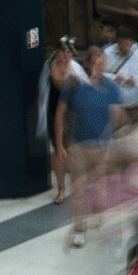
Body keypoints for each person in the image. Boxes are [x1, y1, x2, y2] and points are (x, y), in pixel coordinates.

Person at [57, 47, 126, 248]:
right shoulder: (74, 85)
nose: (101, 67)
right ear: (87, 64)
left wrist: (120, 137)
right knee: (78, 188)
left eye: (103, 63)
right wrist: (61, 143)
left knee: (101, 189)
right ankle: (79, 230)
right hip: (79, 146)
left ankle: (100, 218)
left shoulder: (111, 87)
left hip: (104, 147)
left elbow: (118, 116)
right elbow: (60, 114)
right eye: (97, 63)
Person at [39, 41, 89, 205]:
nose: (65, 55)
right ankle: (61, 188)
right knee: (58, 148)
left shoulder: (76, 69)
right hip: (54, 111)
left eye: (69, 52)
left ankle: (79, 186)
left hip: (73, 112)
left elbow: (86, 90)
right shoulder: (49, 66)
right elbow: (43, 91)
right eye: (62, 51)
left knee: (76, 149)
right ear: (57, 52)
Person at [102, 25, 138, 109]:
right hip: (113, 105)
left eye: (127, 44)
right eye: (121, 44)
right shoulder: (108, 52)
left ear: (132, 42)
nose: (125, 47)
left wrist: (136, 80)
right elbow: (98, 75)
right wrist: (113, 78)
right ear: (117, 42)